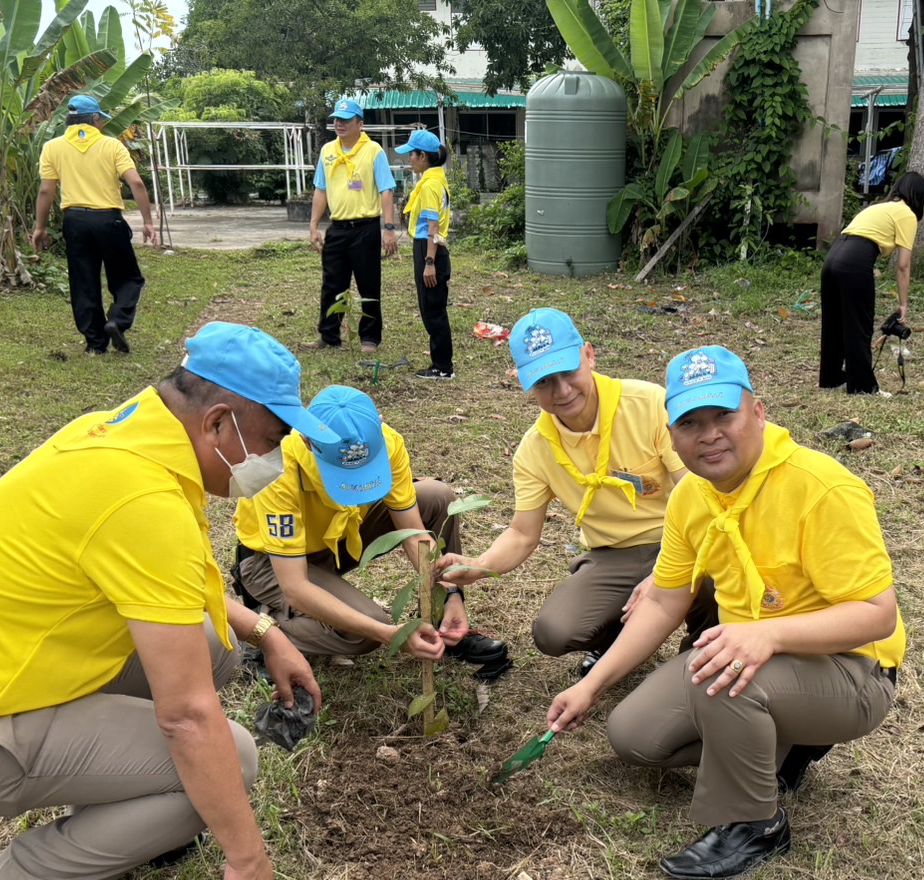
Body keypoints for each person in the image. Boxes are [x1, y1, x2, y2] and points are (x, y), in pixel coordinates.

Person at [0, 322, 332, 880]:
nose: (275, 459)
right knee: (229, 760)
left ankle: (126, 810)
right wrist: (247, 858)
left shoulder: (119, 435)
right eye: (271, 439)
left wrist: (268, 632)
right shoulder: (142, 500)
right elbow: (186, 718)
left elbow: (183, 591)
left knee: (218, 647)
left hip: (5, 678)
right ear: (218, 424)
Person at [546, 346, 905, 880]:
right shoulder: (691, 496)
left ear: (758, 412)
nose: (709, 435)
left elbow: (877, 616)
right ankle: (785, 744)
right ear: (671, 435)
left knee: (723, 677)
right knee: (634, 735)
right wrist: (591, 686)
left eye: (723, 416)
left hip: (853, 669)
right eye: (690, 423)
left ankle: (755, 823)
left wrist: (767, 637)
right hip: (756, 654)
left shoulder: (820, 487)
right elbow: (664, 600)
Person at [435, 309, 715, 677]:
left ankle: (700, 654)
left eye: (568, 372)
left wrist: (664, 575)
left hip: (682, 539)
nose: (563, 391)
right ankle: (618, 638)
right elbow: (522, 534)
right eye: (545, 381)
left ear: (589, 355)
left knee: (711, 576)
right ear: (526, 384)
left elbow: (700, 495)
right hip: (613, 554)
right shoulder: (535, 448)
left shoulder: (649, 404)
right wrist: (479, 566)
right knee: (554, 631)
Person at [232, 385, 509, 673]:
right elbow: (296, 587)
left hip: (337, 541)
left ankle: (443, 624)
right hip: (272, 562)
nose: (356, 487)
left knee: (436, 497)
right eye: (343, 475)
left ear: (379, 422)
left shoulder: (386, 441)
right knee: (365, 631)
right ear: (306, 440)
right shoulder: (278, 469)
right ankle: (262, 628)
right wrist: (387, 634)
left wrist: (450, 593)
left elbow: (413, 533)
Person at [32, 94, 157, 356]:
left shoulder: (53, 147)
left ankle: (95, 344)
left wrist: (39, 228)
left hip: (75, 221)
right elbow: (136, 183)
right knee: (128, 277)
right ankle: (117, 321)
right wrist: (148, 221)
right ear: (95, 119)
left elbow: (46, 191)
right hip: (108, 220)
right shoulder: (111, 145)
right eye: (101, 120)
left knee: (83, 281)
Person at [821, 172, 924, 394]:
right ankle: (863, 387)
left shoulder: (878, 207)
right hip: (855, 261)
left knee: (834, 323)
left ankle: (831, 378)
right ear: (919, 196)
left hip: (832, 258)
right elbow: (903, 265)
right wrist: (903, 304)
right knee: (859, 325)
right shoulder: (907, 214)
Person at [308, 99, 399, 354]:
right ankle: (329, 336)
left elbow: (386, 190)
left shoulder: (373, 151)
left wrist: (388, 227)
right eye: (336, 120)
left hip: (365, 228)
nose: (339, 124)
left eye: (346, 120)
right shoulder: (327, 151)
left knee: (368, 283)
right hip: (337, 228)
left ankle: (370, 338)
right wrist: (314, 225)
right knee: (332, 284)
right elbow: (320, 189)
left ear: (360, 124)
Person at [396, 129, 454, 381]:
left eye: (412, 154)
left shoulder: (430, 185)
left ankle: (443, 367)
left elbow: (433, 227)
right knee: (432, 307)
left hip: (429, 248)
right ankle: (440, 364)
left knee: (433, 310)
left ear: (423, 156)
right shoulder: (435, 180)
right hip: (430, 247)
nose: (409, 159)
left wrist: (429, 262)